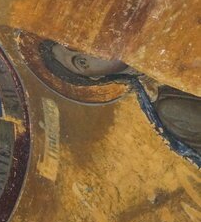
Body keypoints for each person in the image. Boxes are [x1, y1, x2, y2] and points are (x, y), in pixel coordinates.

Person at [27, 36, 201, 160]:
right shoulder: (170, 108)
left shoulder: (163, 42)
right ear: (95, 77)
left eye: (77, 43)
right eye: (82, 61)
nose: (88, 51)